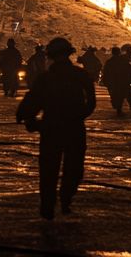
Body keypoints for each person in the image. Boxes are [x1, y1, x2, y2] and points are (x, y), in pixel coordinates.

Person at [17, 37, 96, 220]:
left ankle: (48, 205)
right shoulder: (80, 75)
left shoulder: (46, 78)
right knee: (74, 168)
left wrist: (27, 118)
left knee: (49, 169)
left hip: (51, 129)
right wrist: (78, 116)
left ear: (51, 56)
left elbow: (32, 100)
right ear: (69, 54)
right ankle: (66, 198)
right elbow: (91, 102)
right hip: (74, 129)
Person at [102, 46, 131, 116]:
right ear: (119, 52)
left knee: (116, 95)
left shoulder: (109, 62)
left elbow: (105, 72)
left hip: (114, 82)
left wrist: (106, 81)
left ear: (112, 53)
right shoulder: (123, 60)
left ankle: (119, 108)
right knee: (125, 94)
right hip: (123, 81)